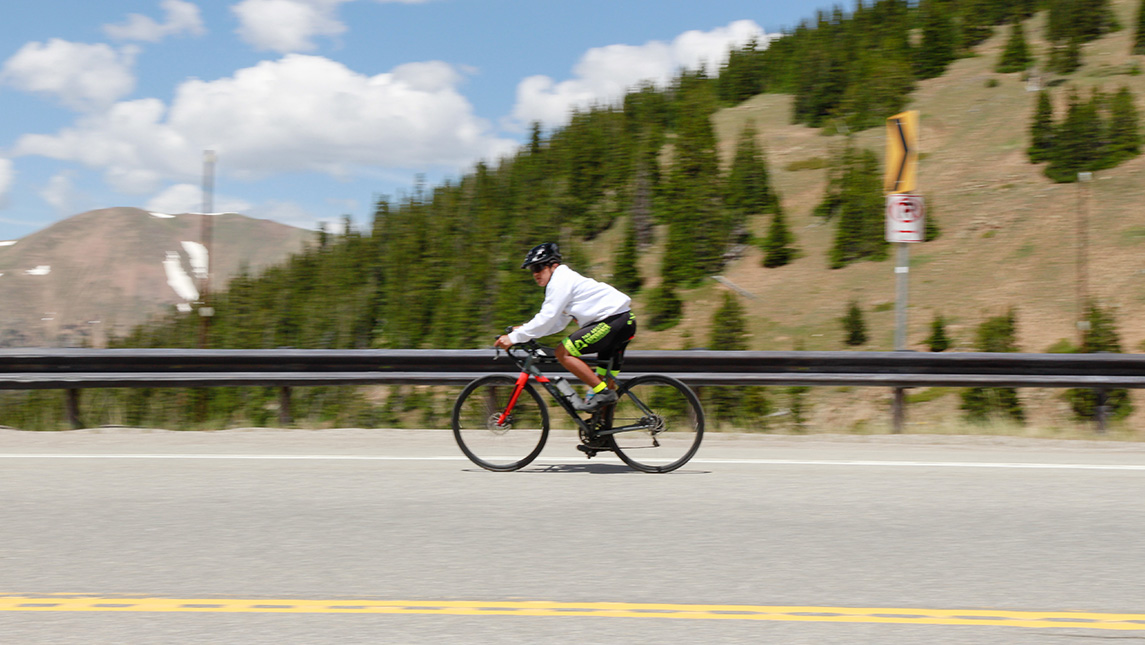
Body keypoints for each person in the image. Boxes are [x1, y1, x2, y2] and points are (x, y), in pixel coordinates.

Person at [495, 242, 636, 411]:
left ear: (553, 266)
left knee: (563, 352)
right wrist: (524, 330)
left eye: (539, 267)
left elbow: (547, 318)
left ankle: (604, 393)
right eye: (532, 270)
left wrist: (513, 338)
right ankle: (602, 432)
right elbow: (557, 323)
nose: (535, 274)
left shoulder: (560, 281)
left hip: (613, 321)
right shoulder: (564, 281)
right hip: (622, 321)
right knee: (603, 380)